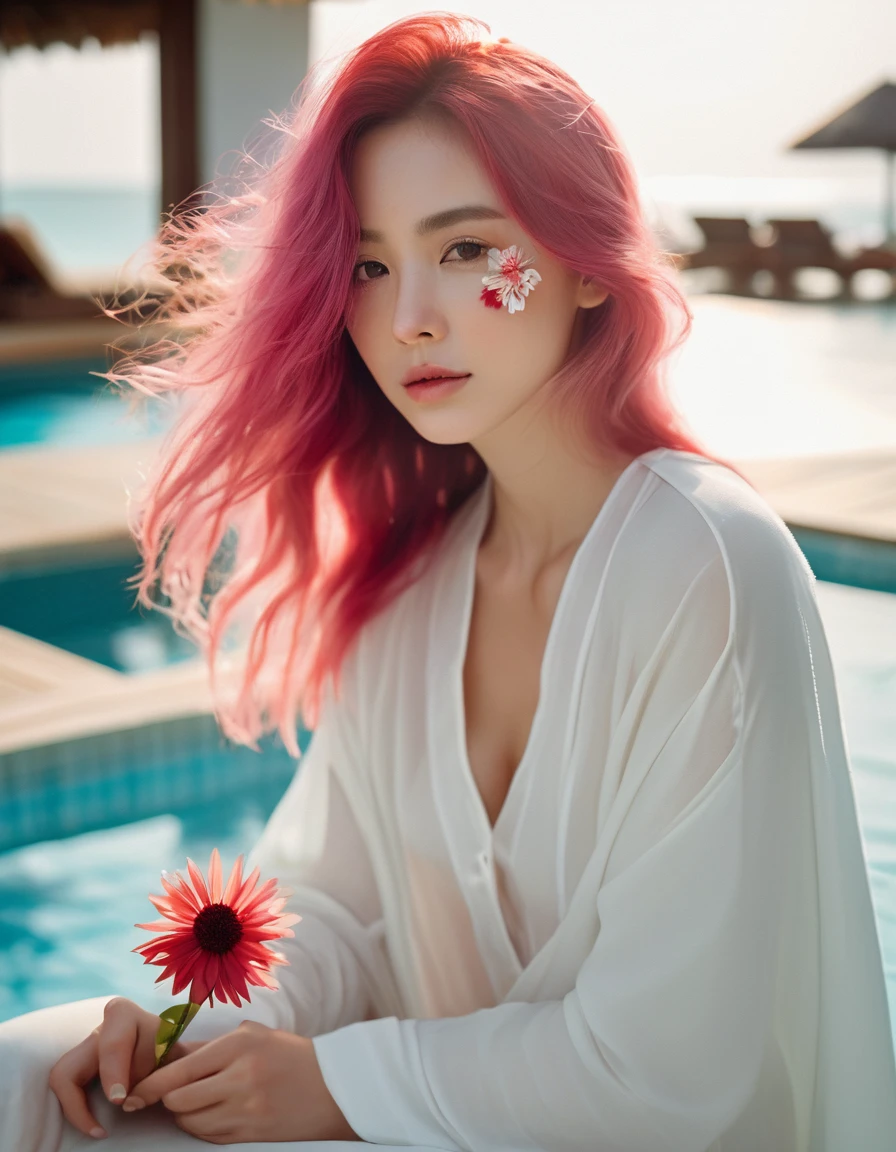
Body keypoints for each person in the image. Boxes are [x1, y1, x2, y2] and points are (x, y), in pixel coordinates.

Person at [1, 12, 894, 1151]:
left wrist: (332, 1084)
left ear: (583, 264)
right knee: (31, 1074)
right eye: (368, 265)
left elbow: (671, 1069)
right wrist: (201, 1027)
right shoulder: (415, 584)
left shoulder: (705, 565)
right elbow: (326, 906)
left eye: (467, 248)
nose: (407, 314)